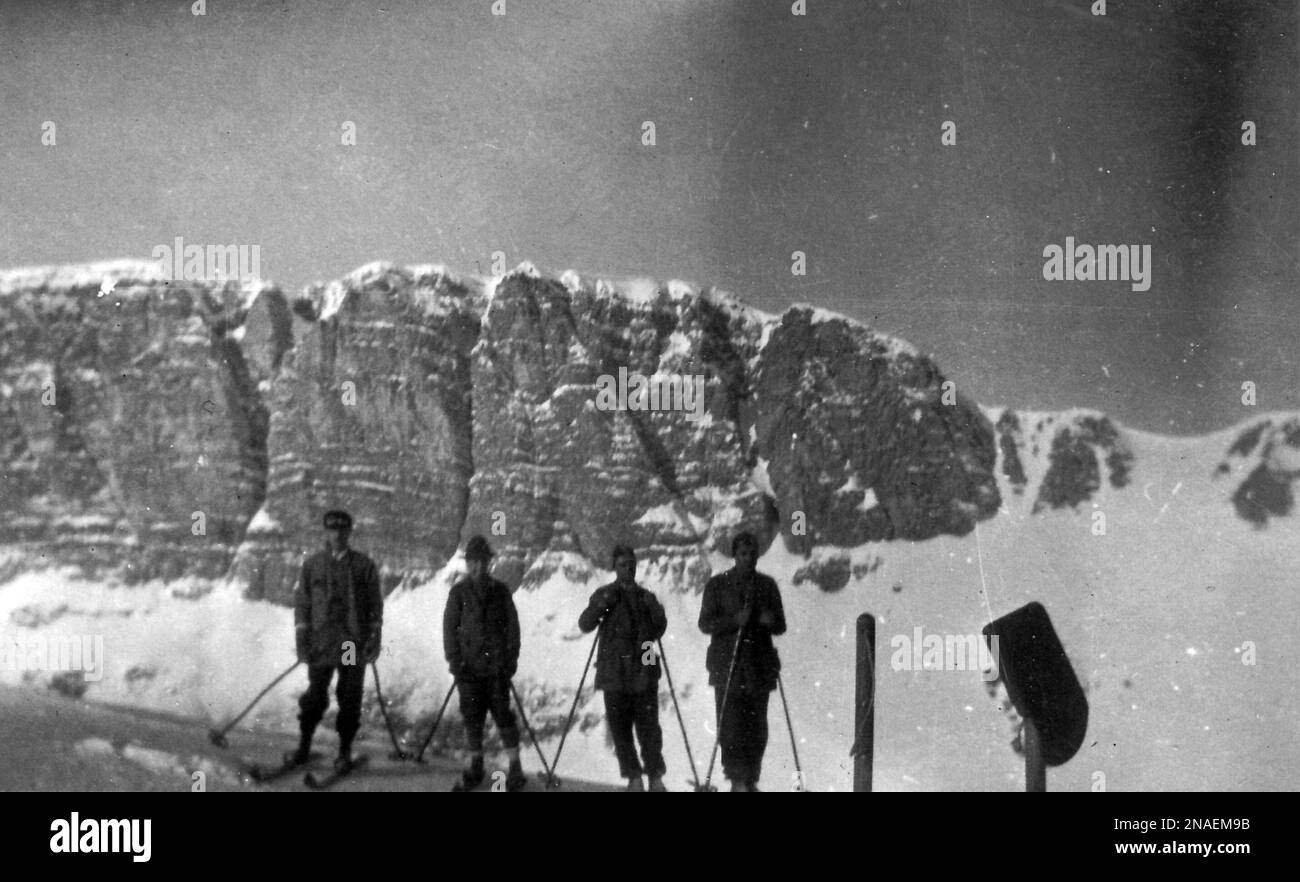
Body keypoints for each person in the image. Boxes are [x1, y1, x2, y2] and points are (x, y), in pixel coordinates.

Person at [291, 509, 383, 774]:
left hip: (349, 644)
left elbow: (375, 606)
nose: (338, 534)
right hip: (321, 641)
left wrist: (375, 637)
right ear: (326, 532)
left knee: (349, 696)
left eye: (342, 530)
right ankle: (304, 745)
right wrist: (301, 636)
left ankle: (344, 751)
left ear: (349, 532)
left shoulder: (364, 565)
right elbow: (303, 603)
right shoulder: (312, 565)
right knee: (315, 694)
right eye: (333, 530)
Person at [698, 531, 786, 792]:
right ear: (734, 555)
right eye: (742, 554)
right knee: (730, 726)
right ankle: (737, 781)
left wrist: (768, 620)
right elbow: (705, 623)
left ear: (756, 556)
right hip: (728, 666)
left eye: (751, 554)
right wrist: (734, 621)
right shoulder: (717, 585)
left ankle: (750, 780)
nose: (747, 559)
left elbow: (780, 625)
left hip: (759, 667)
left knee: (757, 729)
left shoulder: (767, 585)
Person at [578, 545, 669, 792]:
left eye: (631, 564)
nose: (627, 569)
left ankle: (654, 777)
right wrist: (601, 606)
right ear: (614, 568)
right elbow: (585, 624)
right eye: (622, 565)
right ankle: (634, 778)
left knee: (649, 729)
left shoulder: (646, 597)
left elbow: (659, 629)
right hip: (614, 673)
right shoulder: (604, 594)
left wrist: (654, 609)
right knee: (621, 730)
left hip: (643, 672)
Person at [443, 535, 526, 791]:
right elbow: (450, 629)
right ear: (467, 564)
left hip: (496, 669)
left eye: (482, 561)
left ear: (489, 563)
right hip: (468, 670)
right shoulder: (458, 592)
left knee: (504, 716)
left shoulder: (500, 591)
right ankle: (475, 765)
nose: (477, 566)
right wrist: (454, 661)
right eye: (473, 562)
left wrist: (510, 661)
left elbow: (513, 628)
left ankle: (515, 769)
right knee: (472, 718)